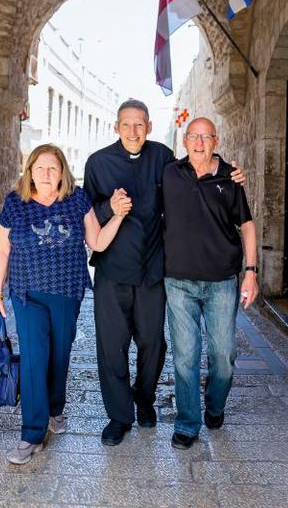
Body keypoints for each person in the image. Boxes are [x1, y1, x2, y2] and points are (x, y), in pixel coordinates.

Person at [83, 99, 246, 446]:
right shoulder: (97, 163)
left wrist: (231, 172)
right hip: (113, 270)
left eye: (139, 124)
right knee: (112, 347)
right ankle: (118, 416)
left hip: (154, 269)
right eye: (126, 124)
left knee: (153, 344)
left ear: (150, 127)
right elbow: (86, 213)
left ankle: (144, 401)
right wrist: (107, 207)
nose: (132, 131)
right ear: (116, 127)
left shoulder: (163, 159)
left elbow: (196, 172)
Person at [0, 144, 132, 464]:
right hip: (27, 294)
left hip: (67, 293)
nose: (45, 174)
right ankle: (31, 434)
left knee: (58, 357)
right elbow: (1, 249)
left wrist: (118, 217)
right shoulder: (15, 203)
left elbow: (95, 242)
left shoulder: (77, 200)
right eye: (39, 168)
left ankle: (56, 408)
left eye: (52, 168)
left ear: (62, 173)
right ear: (29, 172)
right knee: (33, 359)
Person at [163, 117, 259, 450]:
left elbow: (246, 226)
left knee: (224, 354)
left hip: (221, 281)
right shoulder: (169, 174)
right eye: (194, 136)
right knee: (185, 355)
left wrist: (251, 271)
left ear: (215, 141)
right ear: (184, 140)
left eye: (206, 137)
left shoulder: (231, 177)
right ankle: (188, 423)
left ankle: (214, 406)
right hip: (178, 281)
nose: (199, 142)